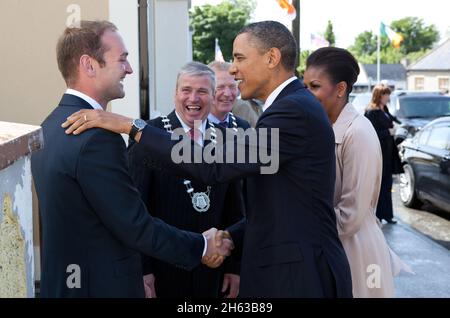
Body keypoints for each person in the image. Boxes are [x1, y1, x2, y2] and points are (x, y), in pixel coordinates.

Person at [62, 21, 353, 298]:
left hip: (299, 278)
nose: (234, 69)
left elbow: (212, 165)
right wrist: (229, 236)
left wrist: (132, 127)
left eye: (239, 58)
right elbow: (276, 208)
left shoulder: (293, 113)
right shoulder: (292, 108)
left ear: (272, 58)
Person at [31, 21, 232, 298]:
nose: (130, 69)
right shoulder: (97, 137)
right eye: (122, 59)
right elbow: (134, 225)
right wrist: (201, 246)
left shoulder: (49, 126)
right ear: (89, 65)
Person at [128, 62, 244, 298]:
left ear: (212, 96)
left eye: (202, 91)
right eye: (186, 90)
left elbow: (235, 209)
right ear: (175, 94)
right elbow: (135, 209)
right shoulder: (149, 136)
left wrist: (235, 268)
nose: (194, 98)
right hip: (163, 268)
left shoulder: (227, 140)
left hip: (214, 270)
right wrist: (142, 269)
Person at [303, 47, 409, 297]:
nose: (306, 94)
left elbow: (350, 214)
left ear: (340, 89)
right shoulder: (322, 126)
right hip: (331, 246)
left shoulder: (358, 132)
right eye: (304, 86)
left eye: (315, 86)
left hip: (356, 251)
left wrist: (299, 228)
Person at [364, 85, 404, 224]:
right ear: (379, 95)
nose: (388, 97)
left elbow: (396, 121)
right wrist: (388, 132)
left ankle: (387, 215)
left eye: (388, 94)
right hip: (379, 152)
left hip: (388, 152)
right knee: (380, 185)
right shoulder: (371, 111)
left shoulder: (384, 109)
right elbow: (370, 132)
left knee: (387, 184)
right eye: (385, 94)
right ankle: (379, 215)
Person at [207, 61, 251, 131]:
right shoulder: (194, 129)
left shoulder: (243, 126)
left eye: (232, 86)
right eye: (220, 87)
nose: (227, 94)